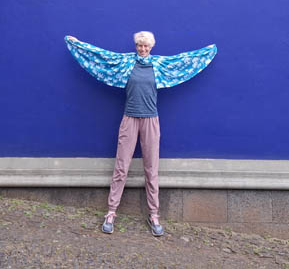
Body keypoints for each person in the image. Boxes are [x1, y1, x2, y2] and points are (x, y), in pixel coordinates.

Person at [64, 32, 217, 236]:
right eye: (139, 45)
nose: (142, 49)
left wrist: (207, 51)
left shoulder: (159, 65)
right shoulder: (126, 63)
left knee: (151, 169)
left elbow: (182, 61)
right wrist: (79, 45)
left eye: (146, 46)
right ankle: (111, 212)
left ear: (151, 47)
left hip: (151, 121)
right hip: (129, 119)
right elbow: (102, 56)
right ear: (136, 46)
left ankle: (154, 214)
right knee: (121, 167)